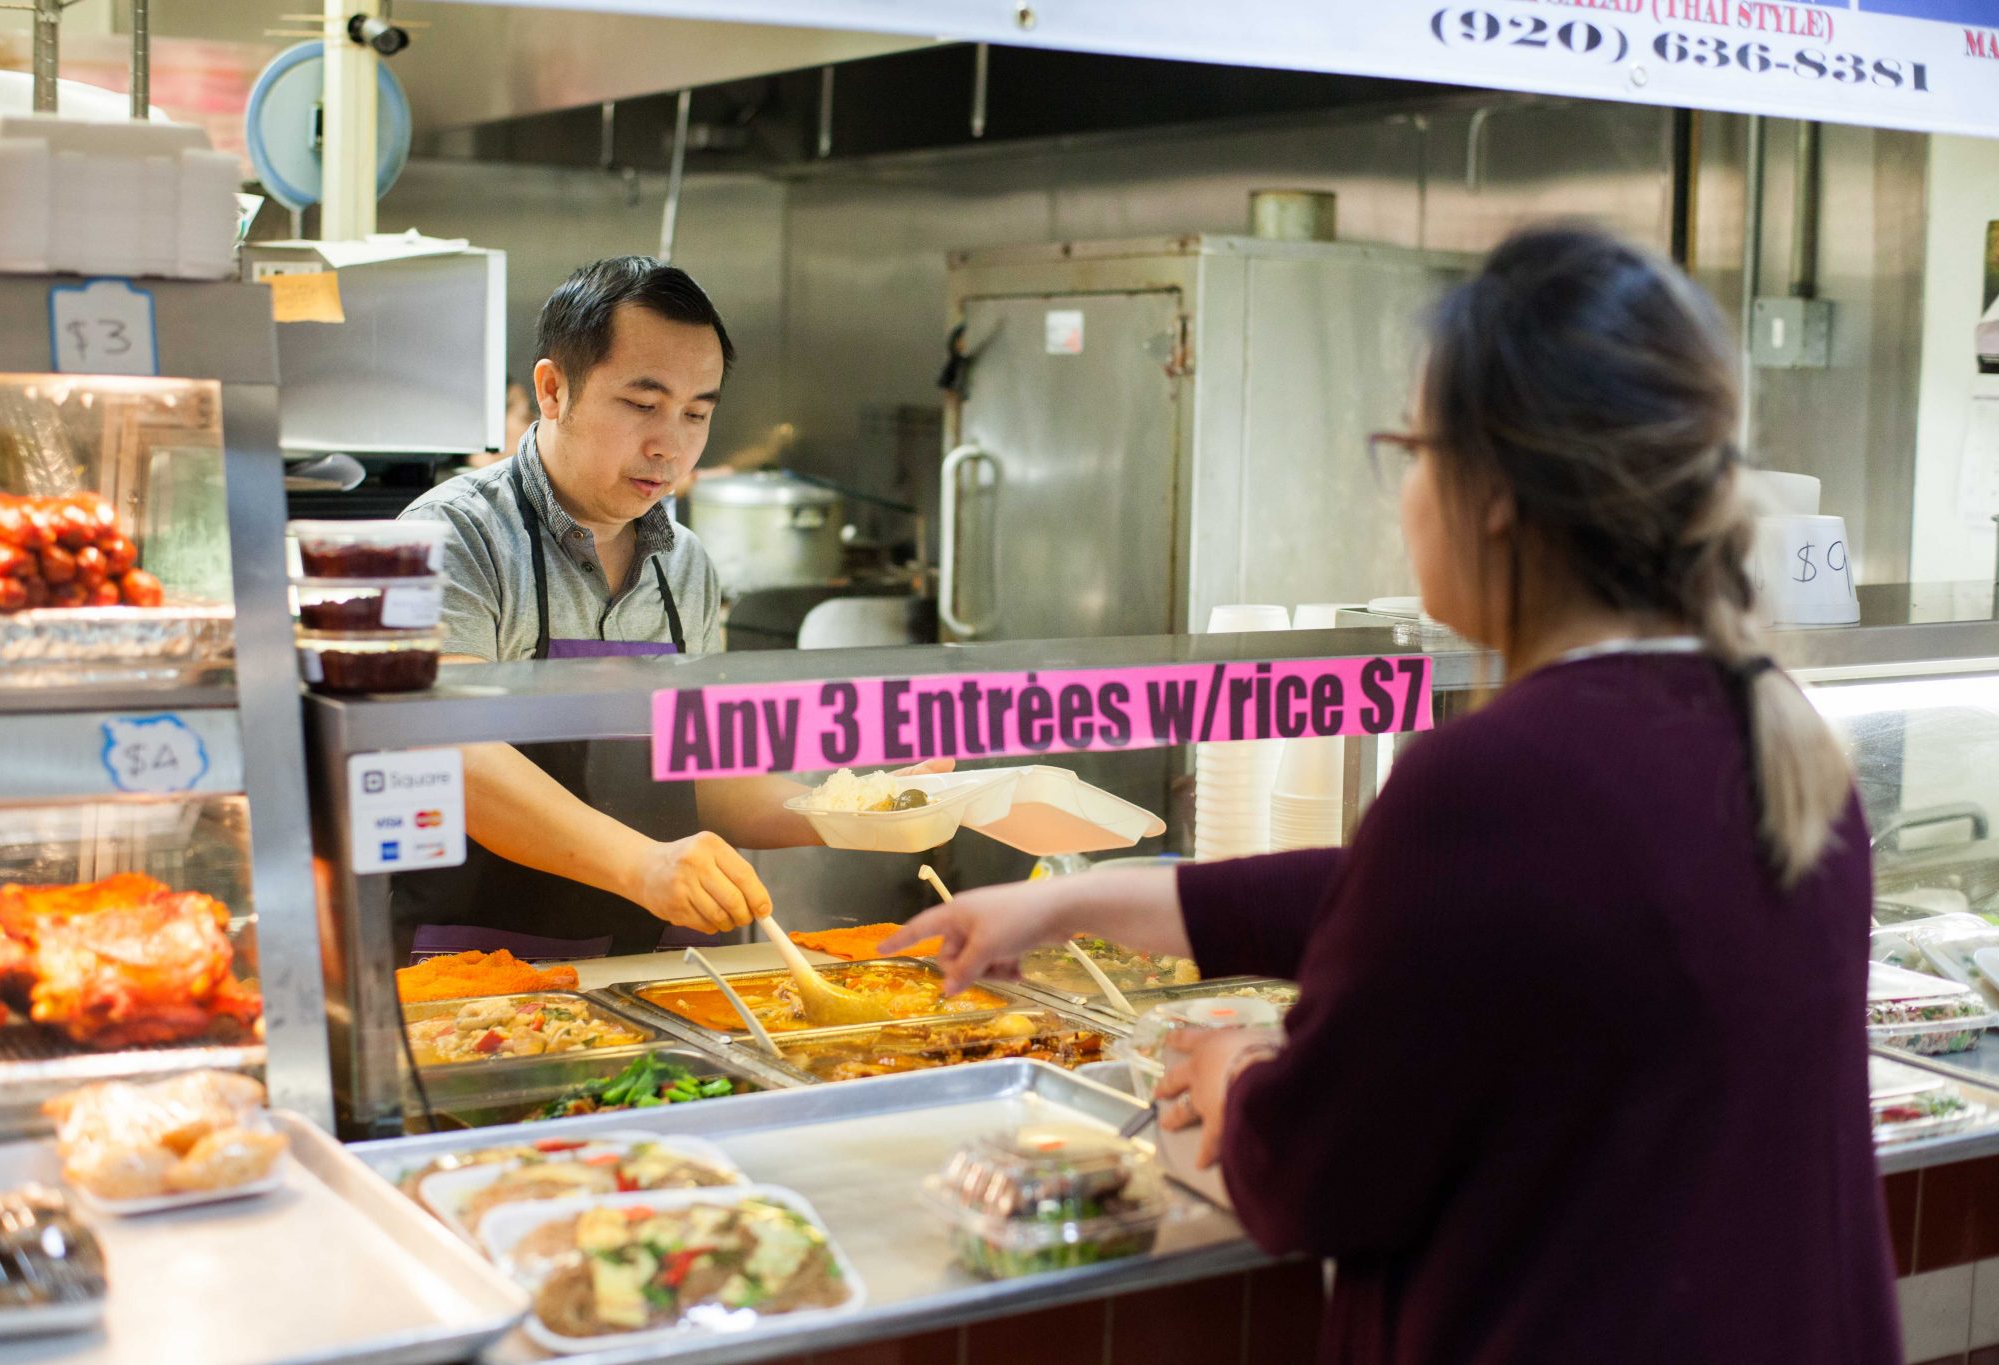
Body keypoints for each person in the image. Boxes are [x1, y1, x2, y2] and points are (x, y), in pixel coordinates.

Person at [885, 226, 1897, 1363]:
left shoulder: (1497, 775)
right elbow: (1420, 903)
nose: (1403, 490)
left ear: (1496, 490)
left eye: (1411, 447)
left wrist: (1235, 1077)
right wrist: (1074, 902)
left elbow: (1316, 1182)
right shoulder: (1769, 735)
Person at [397, 256, 938, 958]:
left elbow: (701, 773)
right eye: (642, 404)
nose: (670, 445)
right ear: (553, 389)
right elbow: (451, 749)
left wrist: (855, 811)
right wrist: (642, 865)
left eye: (695, 413)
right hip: (478, 971)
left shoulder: (686, 563)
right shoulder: (451, 536)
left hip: (652, 970)